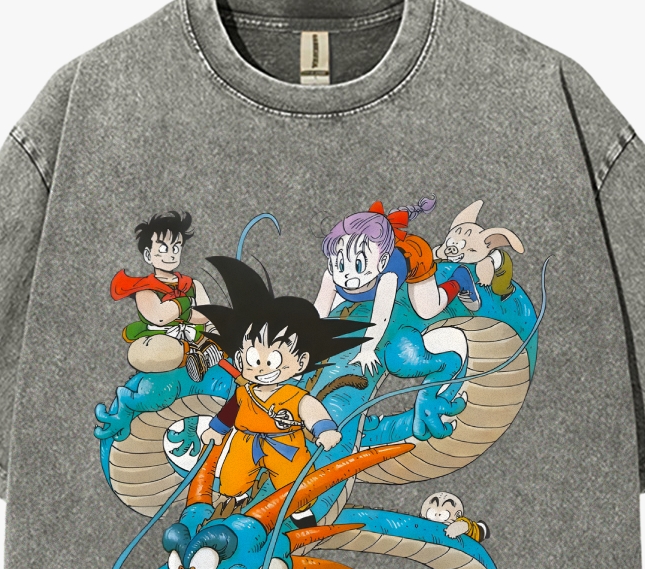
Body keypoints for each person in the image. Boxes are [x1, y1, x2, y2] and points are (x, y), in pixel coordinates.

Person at [197, 256, 370, 524]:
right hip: (245, 442)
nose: (261, 367)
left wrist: (324, 430)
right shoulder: (245, 391)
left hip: (285, 444)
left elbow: (310, 409)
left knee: (294, 485)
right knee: (232, 478)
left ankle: (301, 514)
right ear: (240, 358)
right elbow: (231, 411)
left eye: (273, 360)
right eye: (253, 358)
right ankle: (236, 500)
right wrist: (216, 429)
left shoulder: (294, 395)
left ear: (300, 362)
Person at [314, 197, 480, 376]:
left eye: (358, 265)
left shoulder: (388, 277)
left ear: (382, 262)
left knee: (428, 310)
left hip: (414, 257)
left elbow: (381, 317)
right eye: (339, 263)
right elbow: (319, 310)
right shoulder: (331, 275)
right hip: (384, 249)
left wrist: (367, 350)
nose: (346, 274)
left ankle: (460, 280)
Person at [109, 210, 222, 381]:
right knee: (144, 352)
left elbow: (206, 315)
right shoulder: (144, 289)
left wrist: (177, 312)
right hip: (161, 341)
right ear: (148, 255)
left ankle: (202, 358)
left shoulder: (193, 284)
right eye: (163, 248)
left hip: (195, 336)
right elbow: (160, 317)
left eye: (176, 248)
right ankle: (194, 358)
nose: (171, 254)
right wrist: (185, 304)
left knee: (221, 329)